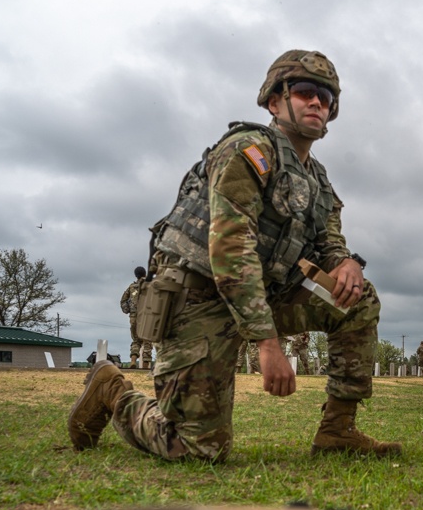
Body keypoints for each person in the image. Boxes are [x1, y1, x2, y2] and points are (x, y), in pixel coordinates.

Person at [68, 50, 401, 461]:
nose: (318, 102)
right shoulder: (247, 152)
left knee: (357, 299)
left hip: (260, 297)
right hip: (199, 300)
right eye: (305, 91)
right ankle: (112, 391)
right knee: (196, 449)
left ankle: (338, 430)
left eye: (327, 98)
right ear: (274, 102)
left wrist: (347, 262)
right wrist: (268, 343)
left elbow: (328, 242)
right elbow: (230, 248)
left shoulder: (317, 180)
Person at [119, 266, 153, 369]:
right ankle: (145, 366)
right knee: (147, 340)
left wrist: (128, 310)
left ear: (136, 275)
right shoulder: (150, 285)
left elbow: (123, 301)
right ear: (145, 274)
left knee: (136, 340)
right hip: (147, 315)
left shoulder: (132, 287)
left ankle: (133, 360)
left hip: (134, 317)